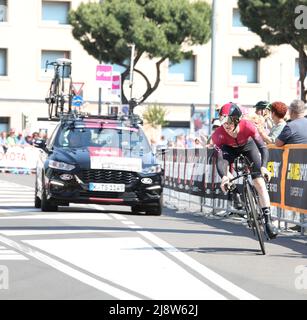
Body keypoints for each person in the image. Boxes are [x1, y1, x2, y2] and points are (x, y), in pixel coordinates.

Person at [211, 102, 278, 239]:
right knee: (226, 174)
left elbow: (263, 147)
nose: (226, 126)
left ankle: (268, 220)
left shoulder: (248, 126)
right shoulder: (218, 135)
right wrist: (224, 176)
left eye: (229, 122)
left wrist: (264, 167)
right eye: (223, 122)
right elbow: (220, 159)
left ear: (237, 120)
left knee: (259, 182)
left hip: (248, 147)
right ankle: (236, 193)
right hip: (229, 150)